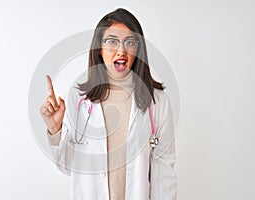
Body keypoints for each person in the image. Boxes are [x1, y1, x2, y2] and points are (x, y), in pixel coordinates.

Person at [40, 8, 177, 200]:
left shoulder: (157, 101)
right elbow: (67, 165)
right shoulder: (79, 98)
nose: (121, 51)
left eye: (129, 42)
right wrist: (55, 131)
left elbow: (164, 174)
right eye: (112, 41)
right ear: (99, 49)